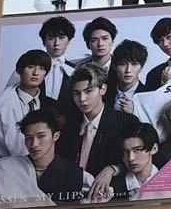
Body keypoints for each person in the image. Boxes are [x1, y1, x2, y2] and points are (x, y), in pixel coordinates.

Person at [58, 64, 139, 197]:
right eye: (77, 93)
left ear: (103, 89)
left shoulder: (125, 122)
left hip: (109, 196)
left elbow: (140, 160)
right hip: (70, 195)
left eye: (88, 91)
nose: (82, 99)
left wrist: (113, 169)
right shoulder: (69, 124)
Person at [0, 107, 90, 207]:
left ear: (56, 136)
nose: (34, 144)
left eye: (41, 136)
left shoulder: (80, 177)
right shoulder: (7, 169)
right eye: (28, 137)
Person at [0, 50, 55, 158]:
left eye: (41, 68)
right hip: (5, 162)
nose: (36, 73)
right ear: (19, 70)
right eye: (30, 67)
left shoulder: (51, 104)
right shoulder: (1, 105)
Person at [109, 124, 160, 201]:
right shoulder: (112, 186)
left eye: (137, 150)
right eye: (126, 152)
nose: (130, 158)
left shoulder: (169, 180)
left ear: (154, 149)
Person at [80, 16, 119, 94]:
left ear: (112, 41)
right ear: (88, 45)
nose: (100, 44)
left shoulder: (121, 67)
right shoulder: (80, 69)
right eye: (94, 40)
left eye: (105, 38)